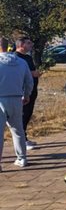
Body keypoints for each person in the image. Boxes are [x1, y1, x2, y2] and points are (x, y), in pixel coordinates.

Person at [0, 37, 33, 169]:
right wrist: (26, 95)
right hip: (16, 99)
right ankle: (22, 158)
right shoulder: (21, 62)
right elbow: (29, 81)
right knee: (18, 130)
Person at [15, 37, 39, 150]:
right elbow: (19, 73)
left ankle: (25, 137)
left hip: (32, 91)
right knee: (22, 115)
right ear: (21, 45)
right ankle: (22, 141)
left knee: (28, 114)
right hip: (22, 92)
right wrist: (32, 73)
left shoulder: (28, 57)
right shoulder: (16, 58)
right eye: (28, 43)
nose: (31, 45)